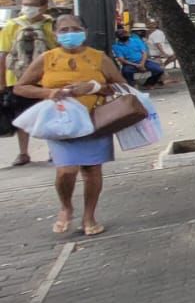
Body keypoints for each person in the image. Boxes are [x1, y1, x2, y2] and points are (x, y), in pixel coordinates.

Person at [11, 13, 125, 235]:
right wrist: (49, 92)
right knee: (66, 170)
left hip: (95, 120)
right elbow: (21, 87)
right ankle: (66, 207)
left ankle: (89, 216)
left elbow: (120, 86)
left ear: (84, 32)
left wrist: (93, 87)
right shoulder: (47, 58)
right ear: (55, 34)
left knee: (91, 170)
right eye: (63, 30)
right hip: (61, 123)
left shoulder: (98, 58)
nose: (69, 33)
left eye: (74, 29)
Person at [2, 0, 56, 167]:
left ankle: (53, 150)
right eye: (25, 4)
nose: (27, 8)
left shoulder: (51, 25)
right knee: (20, 117)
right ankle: (23, 152)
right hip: (17, 79)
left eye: (32, 4)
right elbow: (3, 54)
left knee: (50, 114)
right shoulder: (11, 25)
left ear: (44, 7)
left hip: (47, 79)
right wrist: (2, 82)